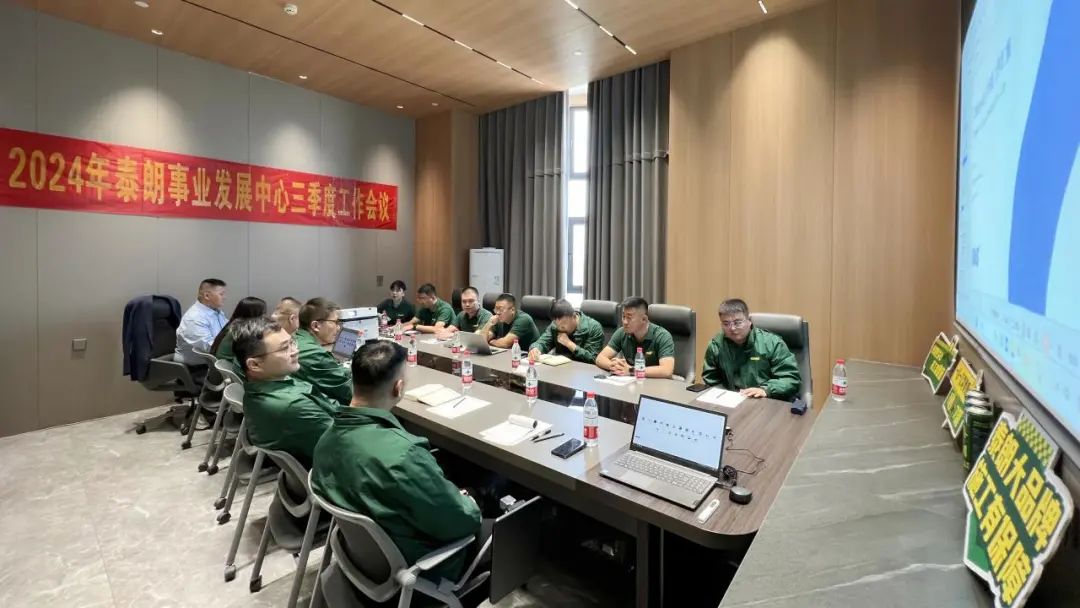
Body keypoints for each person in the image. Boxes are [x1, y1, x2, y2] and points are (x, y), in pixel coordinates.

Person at [311, 341, 484, 582]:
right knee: (494, 504)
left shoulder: (326, 438)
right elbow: (461, 522)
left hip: (365, 558)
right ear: (398, 388)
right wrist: (470, 502)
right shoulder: (403, 455)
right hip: (422, 566)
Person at [232, 317, 336, 468]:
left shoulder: (270, 383)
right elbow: (345, 445)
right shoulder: (292, 405)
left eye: (292, 342)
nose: (295, 351)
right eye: (284, 348)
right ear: (254, 365)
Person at [701, 298, 801, 401]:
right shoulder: (716, 346)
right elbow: (711, 381)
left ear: (749, 321)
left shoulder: (772, 343)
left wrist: (765, 390)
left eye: (737, 322)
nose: (732, 328)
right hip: (732, 401)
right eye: (726, 324)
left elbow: (790, 379)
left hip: (767, 400)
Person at [596, 297, 675, 378]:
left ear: (644, 319)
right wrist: (614, 366)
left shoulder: (662, 336)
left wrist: (631, 370)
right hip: (631, 381)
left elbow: (667, 371)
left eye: (629, 318)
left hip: (656, 382)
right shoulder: (622, 332)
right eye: (623, 316)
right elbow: (600, 358)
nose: (625, 322)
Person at [293, 298, 353, 405]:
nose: (338, 328)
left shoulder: (298, 338)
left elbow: (332, 371)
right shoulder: (314, 353)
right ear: (316, 326)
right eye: (335, 322)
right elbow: (348, 391)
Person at [528, 299, 605, 364]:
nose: (560, 328)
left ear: (574, 316)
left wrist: (569, 344)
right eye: (557, 325)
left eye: (563, 325)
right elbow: (543, 342)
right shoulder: (555, 326)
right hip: (560, 368)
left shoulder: (594, 328)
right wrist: (536, 349)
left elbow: (593, 359)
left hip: (584, 371)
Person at [174, 278, 228, 365]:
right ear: (207, 296)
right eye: (221, 294)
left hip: (212, 360)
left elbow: (228, 332)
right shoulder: (194, 318)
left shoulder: (216, 312)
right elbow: (210, 347)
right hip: (195, 366)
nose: (224, 297)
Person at [210, 297, 267, 364]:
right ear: (255, 314)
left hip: (224, 362)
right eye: (263, 313)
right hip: (229, 363)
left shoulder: (235, 323)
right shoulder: (243, 329)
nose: (265, 316)